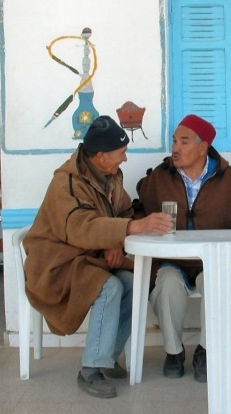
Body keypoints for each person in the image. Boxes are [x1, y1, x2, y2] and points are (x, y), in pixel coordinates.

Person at [23, 115, 173, 399]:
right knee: (110, 287)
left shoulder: (110, 177)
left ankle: (106, 357)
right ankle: (90, 369)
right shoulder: (65, 183)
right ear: (101, 156)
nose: (126, 159)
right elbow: (79, 227)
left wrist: (116, 241)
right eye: (121, 153)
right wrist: (129, 230)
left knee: (133, 282)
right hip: (57, 263)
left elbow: (125, 211)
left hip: (88, 256)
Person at [133, 114, 231, 382]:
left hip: (215, 260)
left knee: (216, 283)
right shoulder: (159, 177)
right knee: (167, 285)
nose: (176, 148)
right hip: (173, 261)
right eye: (174, 141)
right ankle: (174, 351)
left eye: (184, 141)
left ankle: (206, 350)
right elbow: (138, 211)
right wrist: (145, 224)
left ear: (204, 147)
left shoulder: (229, 178)